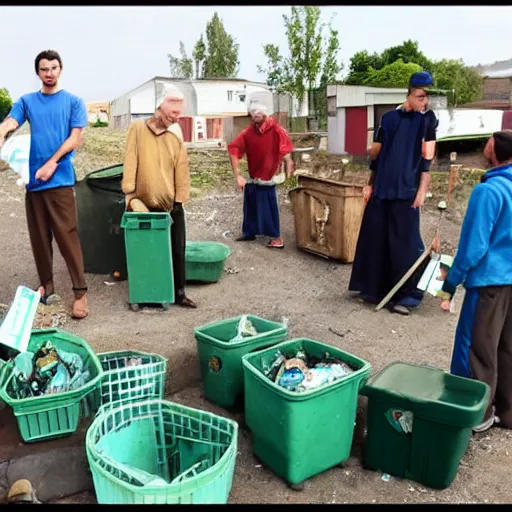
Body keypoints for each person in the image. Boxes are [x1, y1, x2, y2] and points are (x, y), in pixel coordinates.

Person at [0, 50, 89, 319]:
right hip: (34, 183)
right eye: (44, 69)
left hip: (60, 180)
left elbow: (75, 138)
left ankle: (80, 293)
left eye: (53, 67)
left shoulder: (73, 102)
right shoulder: (27, 101)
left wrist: (52, 163)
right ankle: (47, 289)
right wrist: (3, 131)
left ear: (60, 69)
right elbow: (11, 122)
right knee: (39, 239)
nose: (49, 73)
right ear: (37, 72)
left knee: (67, 236)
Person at [438, 130, 512, 433]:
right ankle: (506, 414)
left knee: (476, 348)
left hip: (489, 283)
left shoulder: (489, 191)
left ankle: (476, 414)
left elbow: (474, 246)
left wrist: (451, 282)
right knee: (506, 347)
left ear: (492, 149)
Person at [348, 71, 439, 315]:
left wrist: (422, 190)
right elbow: (376, 158)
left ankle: (409, 295)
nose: (424, 101)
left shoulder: (428, 121)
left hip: (407, 192)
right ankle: (374, 290)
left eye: (427, 97)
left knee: (406, 245)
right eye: (420, 96)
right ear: (409, 93)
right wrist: (370, 183)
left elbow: (427, 161)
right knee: (375, 239)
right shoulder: (388, 119)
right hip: (382, 190)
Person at [121, 86, 197, 308]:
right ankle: (147, 290)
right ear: (159, 108)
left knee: (177, 247)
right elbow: (131, 159)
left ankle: (179, 293)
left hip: (169, 202)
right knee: (145, 247)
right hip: (141, 201)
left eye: (179, 112)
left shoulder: (176, 133)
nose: (177, 116)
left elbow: (181, 168)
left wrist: (180, 199)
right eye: (173, 112)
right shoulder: (137, 128)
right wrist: (129, 192)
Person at [227, 95, 295, 249]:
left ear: (266, 111)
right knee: (250, 199)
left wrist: (287, 165)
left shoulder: (277, 130)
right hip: (254, 175)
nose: (256, 113)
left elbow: (286, 150)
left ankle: (277, 238)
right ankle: (250, 232)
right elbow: (234, 149)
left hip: (269, 176)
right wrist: (237, 175)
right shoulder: (248, 133)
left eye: (259, 110)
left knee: (268, 204)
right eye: (253, 111)